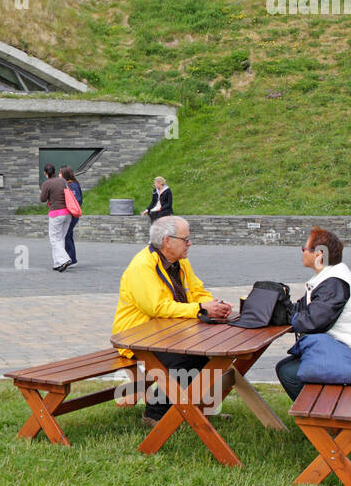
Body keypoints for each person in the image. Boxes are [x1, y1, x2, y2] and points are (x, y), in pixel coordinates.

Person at [112, 216, 234, 427]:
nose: (190, 243)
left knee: (210, 354)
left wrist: (214, 304)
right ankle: (155, 414)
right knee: (187, 360)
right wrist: (200, 308)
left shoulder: (181, 262)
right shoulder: (142, 266)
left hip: (170, 333)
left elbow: (197, 290)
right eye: (185, 239)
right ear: (167, 241)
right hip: (138, 337)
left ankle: (197, 408)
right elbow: (157, 308)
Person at [275, 227, 351, 400]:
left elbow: (313, 322)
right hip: (342, 349)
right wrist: (278, 307)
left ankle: (319, 414)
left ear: (319, 254)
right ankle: (317, 410)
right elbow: (302, 309)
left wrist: (287, 317)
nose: (302, 253)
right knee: (285, 367)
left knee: (289, 372)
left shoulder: (334, 283)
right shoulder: (329, 277)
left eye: (304, 249)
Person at [40, 163, 72, 272]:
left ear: (45, 173)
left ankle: (65, 259)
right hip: (67, 213)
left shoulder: (47, 183)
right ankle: (57, 263)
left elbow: (43, 199)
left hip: (56, 214)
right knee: (60, 238)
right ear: (54, 171)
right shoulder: (63, 181)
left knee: (54, 239)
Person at [62, 166, 83, 267]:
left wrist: (70, 210)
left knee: (66, 235)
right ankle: (72, 258)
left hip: (72, 214)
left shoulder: (72, 185)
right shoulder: (69, 184)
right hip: (70, 214)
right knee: (68, 235)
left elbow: (77, 200)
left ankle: (71, 259)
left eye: (60, 173)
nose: (59, 175)